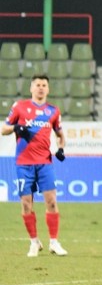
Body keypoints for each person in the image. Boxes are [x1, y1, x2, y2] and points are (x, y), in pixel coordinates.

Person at [2, 74, 68, 257]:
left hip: (45, 163)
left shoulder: (53, 111)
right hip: (23, 164)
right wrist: (16, 128)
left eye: (44, 85)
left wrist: (61, 149)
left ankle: (54, 242)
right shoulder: (19, 107)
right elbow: (3, 129)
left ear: (48, 89)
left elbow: (60, 135)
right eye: (37, 85)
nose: (40, 88)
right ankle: (34, 242)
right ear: (31, 88)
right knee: (25, 203)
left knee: (52, 201)